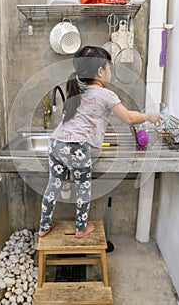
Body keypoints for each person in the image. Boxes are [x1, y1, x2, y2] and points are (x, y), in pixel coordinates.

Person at [38, 46, 162, 238]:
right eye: (109, 68)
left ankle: (44, 226)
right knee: (83, 187)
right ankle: (81, 229)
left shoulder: (78, 90)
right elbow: (128, 117)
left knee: (53, 185)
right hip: (76, 147)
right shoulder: (105, 95)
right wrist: (149, 116)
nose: (110, 73)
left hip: (55, 144)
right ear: (100, 71)